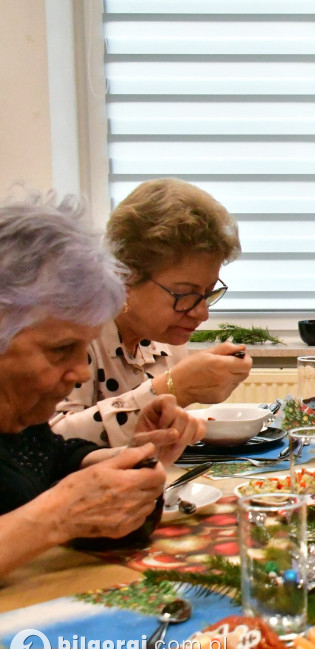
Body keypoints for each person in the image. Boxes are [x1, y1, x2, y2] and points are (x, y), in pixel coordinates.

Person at [0, 192, 203, 576]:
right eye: (61, 349)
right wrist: (57, 517)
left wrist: (124, 458)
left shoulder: (18, 418)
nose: (79, 371)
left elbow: (48, 457)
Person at [50, 178, 252, 447]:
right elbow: (52, 443)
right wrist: (172, 388)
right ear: (125, 276)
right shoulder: (75, 331)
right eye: (186, 295)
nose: (202, 313)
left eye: (207, 293)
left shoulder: (164, 340)